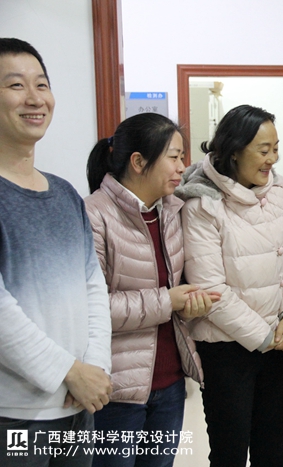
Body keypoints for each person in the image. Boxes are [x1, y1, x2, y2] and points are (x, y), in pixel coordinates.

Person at [0, 38, 113, 466]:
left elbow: (93, 286)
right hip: (14, 412)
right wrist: (70, 371)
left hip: (78, 404)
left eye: (42, 84)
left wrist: (94, 369)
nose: (34, 98)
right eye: (16, 85)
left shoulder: (65, 193)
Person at [84, 112, 219, 467]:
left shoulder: (173, 211)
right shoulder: (94, 214)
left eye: (182, 156)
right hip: (115, 390)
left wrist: (189, 302)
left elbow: (176, 285)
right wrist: (167, 301)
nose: (182, 166)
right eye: (173, 157)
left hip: (170, 384)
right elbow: (91, 308)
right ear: (138, 162)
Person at [176, 104, 283, 467]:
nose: (272, 159)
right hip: (226, 351)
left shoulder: (276, 192)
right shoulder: (201, 203)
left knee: (272, 453)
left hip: (277, 345)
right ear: (234, 151)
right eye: (263, 150)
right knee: (229, 454)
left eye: (275, 149)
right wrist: (265, 337)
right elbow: (211, 290)